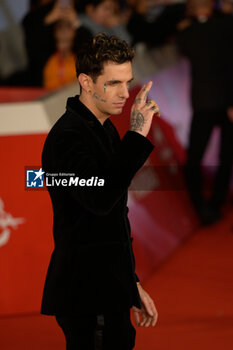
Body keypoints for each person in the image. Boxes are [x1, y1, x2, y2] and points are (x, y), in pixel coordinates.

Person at [41, 33, 159, 349]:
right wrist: (135, 135)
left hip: (107, 286)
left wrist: (131, 284)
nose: (125, 93)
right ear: (86, 82)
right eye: (113, 83)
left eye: (128, 82)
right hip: (86, 293)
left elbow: (114, 224)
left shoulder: (102, 127)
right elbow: (101, 198)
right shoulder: (68, 138)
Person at [176, 0, 233, 225]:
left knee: (199, 157)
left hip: (206, 102)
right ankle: (211, 205)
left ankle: (203, 207)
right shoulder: (226, 25)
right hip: (219, 102)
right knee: (223, 157)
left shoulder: (187, 32)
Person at [43, 19, 77, 90]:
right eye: (60, 28)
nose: (64, 32)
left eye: (67, 28)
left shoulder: (80, 60)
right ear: (55, 33)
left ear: (74, 32)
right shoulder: (49, 60)